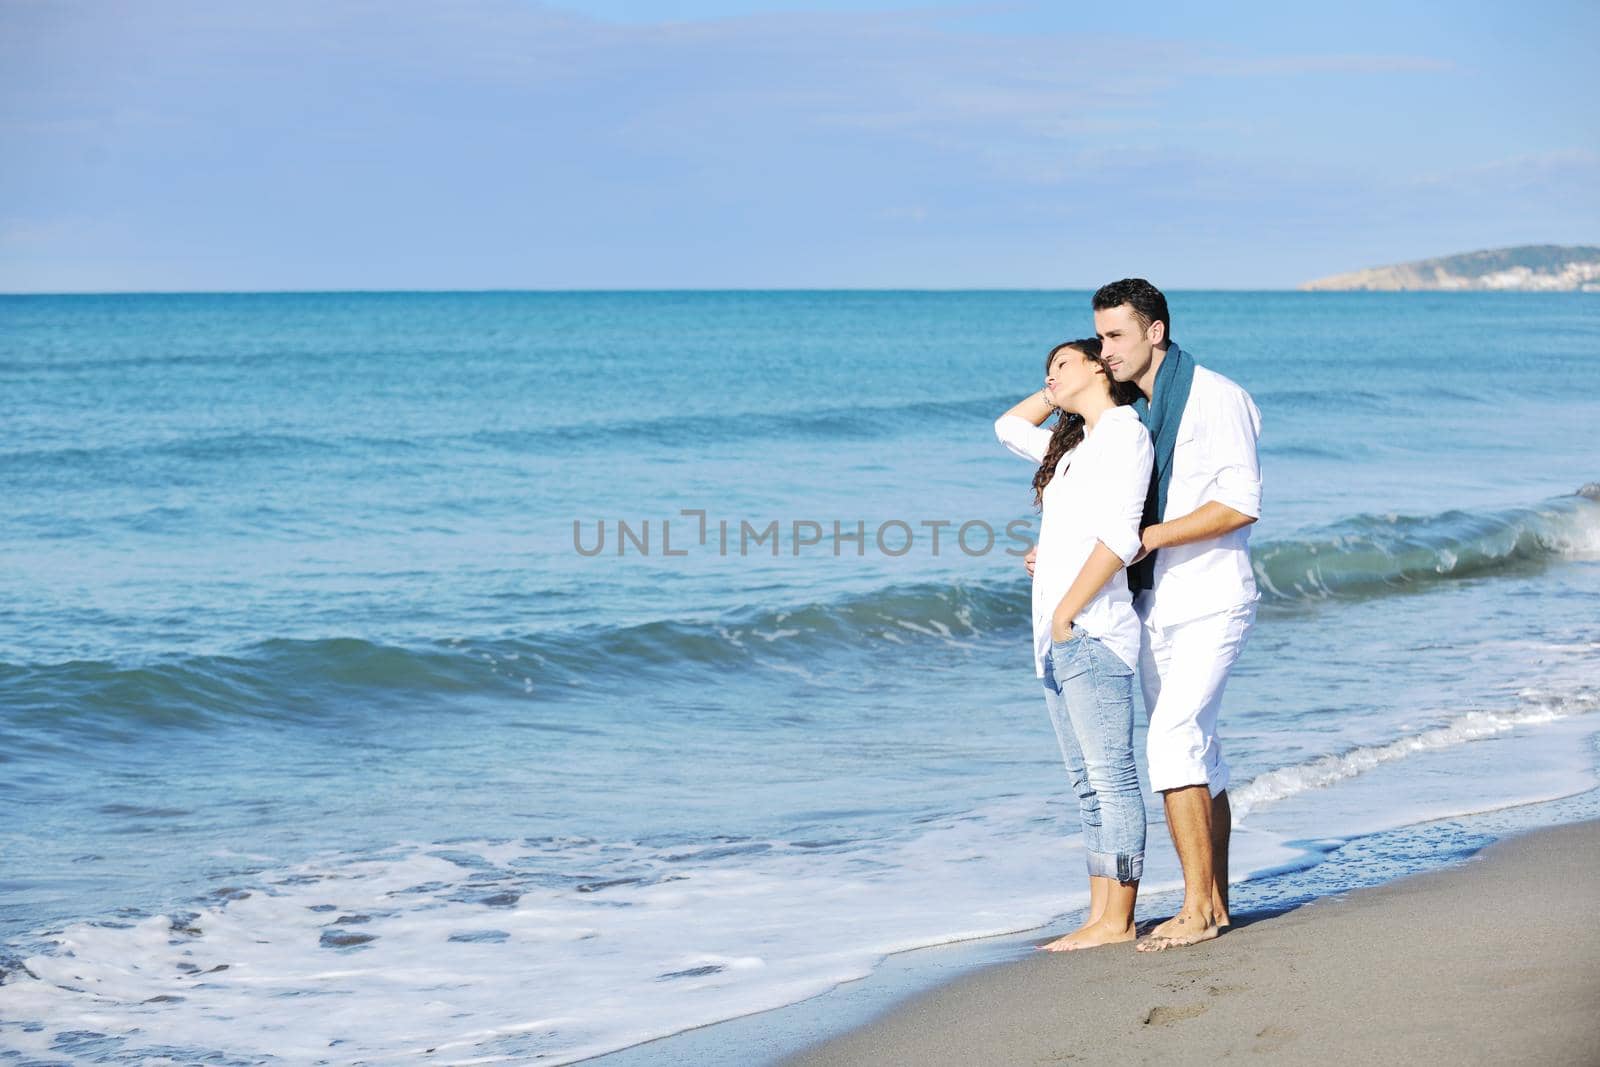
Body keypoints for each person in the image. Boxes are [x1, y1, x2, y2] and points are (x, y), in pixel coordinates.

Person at [1094, 278, 1263, 952]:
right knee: (1201, 750)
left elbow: (1240, 503)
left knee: (1172, 741)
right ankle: (1215, 900)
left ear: (1155, 332)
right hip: (1154, 605)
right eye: (1100, 335)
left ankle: (1192, 908)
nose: (1105, 349)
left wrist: (1152, 536)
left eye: (1116, 335)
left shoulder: (1215, 397)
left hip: (1212, 596)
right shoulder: (1132, 412)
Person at [994, 337, 1154, 951]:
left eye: (1062, 363)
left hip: (1090, 629)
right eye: (1044, 369)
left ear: (1099, 366)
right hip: (1058, 639)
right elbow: (1008, 426)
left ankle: (1120, 920)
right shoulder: (1077, 448)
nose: (1049, 376)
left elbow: (1120, 536)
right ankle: (1099, 916)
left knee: (1111, 779)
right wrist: (1057, 391)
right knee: (1087, 786)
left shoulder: (1123, 434)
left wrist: (1066, 611)